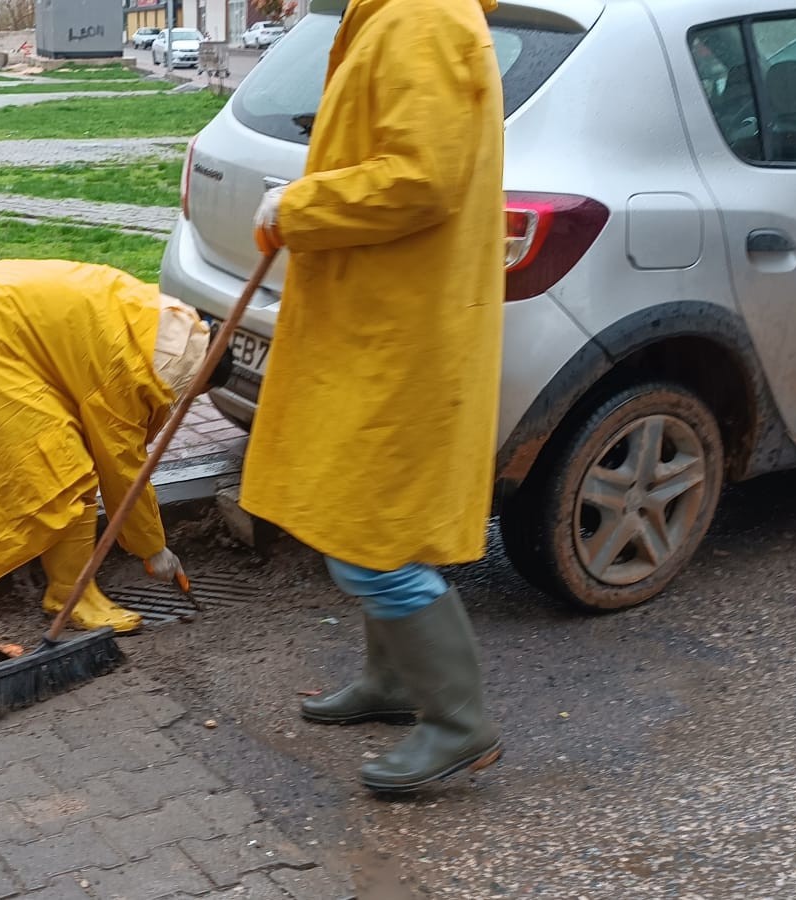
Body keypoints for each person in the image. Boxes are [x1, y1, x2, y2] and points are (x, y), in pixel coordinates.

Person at [248, 0, 505, 794]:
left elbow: (420, 178)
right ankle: (394, 684)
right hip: (384, 316)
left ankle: (459, 725)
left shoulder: (422, 17)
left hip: (399, 327)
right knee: (373, 518)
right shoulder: (399, 12)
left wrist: (298, 208)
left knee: (367, 532)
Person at [0, 260, 207, 634]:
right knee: (67, 470)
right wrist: (153, 548)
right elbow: (121, 467)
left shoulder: (163, 321)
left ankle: (63, 584)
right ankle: (70, 597)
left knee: (57, 458)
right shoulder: (131, 372)